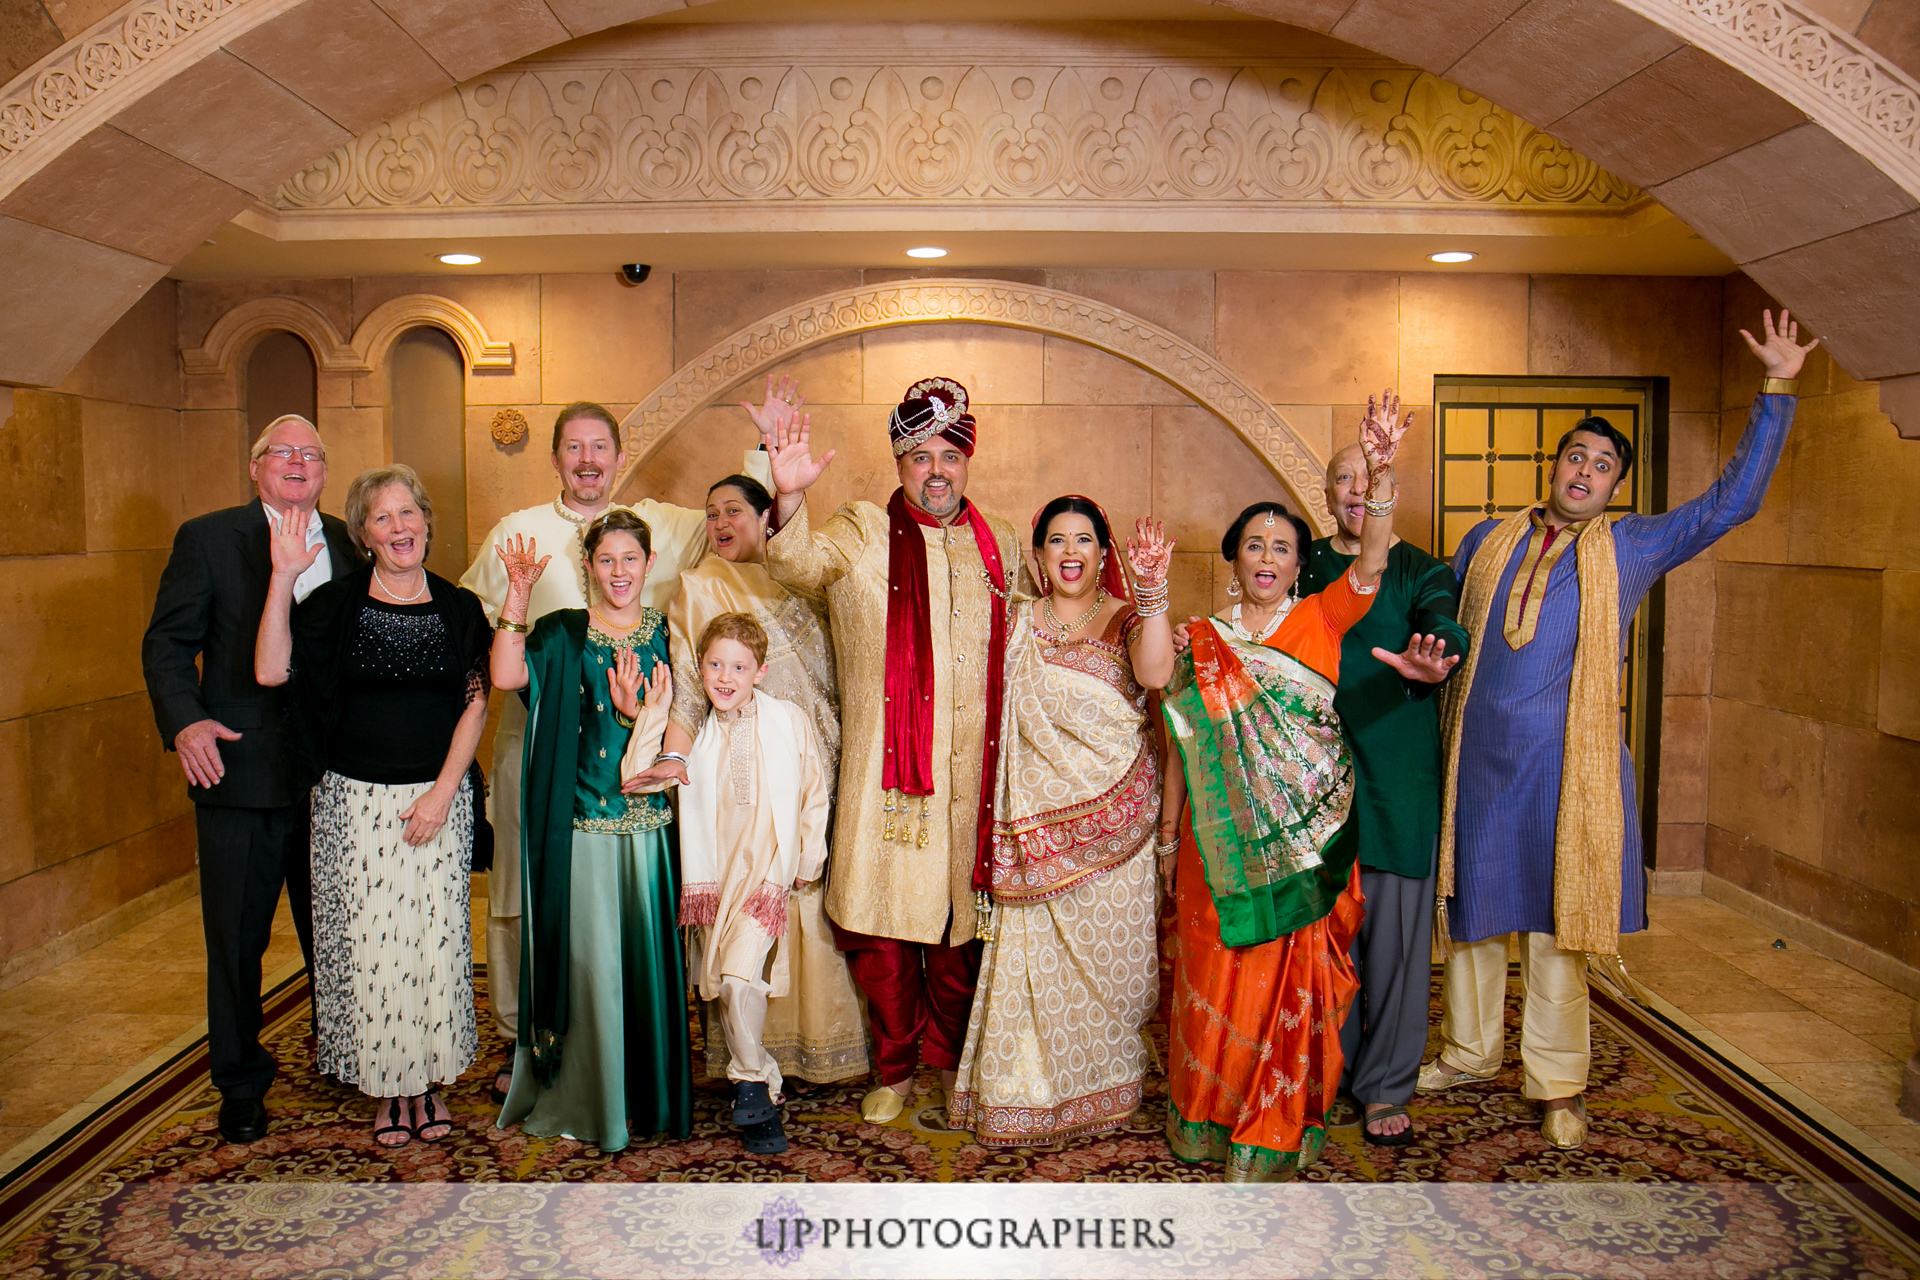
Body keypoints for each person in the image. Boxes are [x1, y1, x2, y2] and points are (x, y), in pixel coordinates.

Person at [1419, 311, 1818, 1149]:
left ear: (1614, 487)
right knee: (1475, 910)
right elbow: (1446, 631)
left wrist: (1777, 386)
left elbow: (1731, 503)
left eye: (1604, 465)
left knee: (1561, 928)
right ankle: (1468, 1049)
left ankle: (1557, 1082)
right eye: (1577, 456)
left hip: (1567, 772)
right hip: (1480, 764)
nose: (1586, 471)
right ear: (1555, 465)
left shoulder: (1630, 548)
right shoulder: (1487, 540)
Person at [459, 395, 775, 1098]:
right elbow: (483, 638)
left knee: (639, 916)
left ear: (620, 457)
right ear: (554, 458)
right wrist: (518, 598)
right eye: (573, 448)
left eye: (600, 447)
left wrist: (766, 449)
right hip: (538, 737)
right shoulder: (520, 531)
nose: (588, 460)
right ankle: (524, 1032)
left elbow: (745, 519)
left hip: (638, 757)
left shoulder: (663, 526)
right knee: (525, 887)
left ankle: (641, 1052)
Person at [762, 376, 1021, 1124]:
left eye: (948, 455)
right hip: (887, 782)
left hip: (975, 780)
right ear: (898, 463)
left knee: (958, 940)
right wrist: (786, 498)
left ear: (967, 460)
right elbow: (799, 563)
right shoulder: (862, 532)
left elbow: (1035, 635)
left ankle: (943, 1064)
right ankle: (897, 1068)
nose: (935, 471)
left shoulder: (998, 541)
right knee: (882, 939)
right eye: (918, 457)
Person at [1160, 396, 1405, 1182]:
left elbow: (1372, 558)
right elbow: (1181, 745)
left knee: (1283, 983)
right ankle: (1209, 1115)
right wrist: (1169, 838)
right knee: (1216, 975)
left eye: (1283, 547)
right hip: (1217, 849)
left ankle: (1274, 1120)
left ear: (1303, 564)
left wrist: (1384, 473)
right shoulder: (1204, 638)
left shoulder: (1323, 619)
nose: (1268, 557)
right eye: (1254, 545)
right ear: (1233, 558)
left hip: (1306, 851)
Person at [141, 414, 361, 1145]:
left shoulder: (352, 543)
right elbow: (167, 645)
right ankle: (240, 1082)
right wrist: (184, 722)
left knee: (333, 929)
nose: (299, 463)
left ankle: (345, 1056)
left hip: (333, 780)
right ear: (255, 466)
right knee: (237, 941)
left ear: (326, 471)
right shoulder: (207, 539)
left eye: (313, 454)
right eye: (284, 452)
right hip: (237, 772)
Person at [255, 464, 488, 1148]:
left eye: (408, 513)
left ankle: (427, 1079)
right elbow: (271, 669)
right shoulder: (332, 606)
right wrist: (280, 577)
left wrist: (445, 793)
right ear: (363, 535)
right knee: (369, 952)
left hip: (437, 800)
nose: (399, 528)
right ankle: (390, 1088)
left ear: (425, 521)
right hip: (352, 804)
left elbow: (475, 703)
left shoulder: (458, 607)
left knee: (432, 947)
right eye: (382, 518)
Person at [948, 499, 1176, 1146]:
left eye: (1084, 539)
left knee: (1116, 974)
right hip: (1033, 840)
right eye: (1056, 540)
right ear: (1039, 555)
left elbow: (1156, 673)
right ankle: (1024, 1095)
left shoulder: (1127, 619)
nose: (1070, 551)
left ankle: (1105, 1088)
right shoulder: (1017, 623)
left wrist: (1155, 595)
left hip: (1118, 835)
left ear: (1105, 551)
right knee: (1032, 967)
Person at [639, 472, 866, 1089]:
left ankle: (816, 1051)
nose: (719, 524)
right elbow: (688, 687)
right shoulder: (698, 587)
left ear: (769, 517)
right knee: (741, 920)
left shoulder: (805, 578)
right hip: (733, 786)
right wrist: (675, 757)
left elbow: (843, 666)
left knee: (806, 898)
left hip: (808, 764)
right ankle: (749, 1064)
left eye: (733, 511)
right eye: (710, 513)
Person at [488, 508, 690, 1151]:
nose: (619, 571)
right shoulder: (563, 635)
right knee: (594, 967)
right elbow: (506, 676)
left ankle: (646, 1096)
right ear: (587, 567)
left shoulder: (667, 633)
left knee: (645, 967)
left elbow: (691, 718)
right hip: (584, 827)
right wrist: (517, 596)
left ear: (649, 564)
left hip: (651, 830)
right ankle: (593, 1098)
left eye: (631, 558)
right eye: (606, 560)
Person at [1297, 437, 1469, 1146]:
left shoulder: (1421, 568)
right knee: (1318, 945)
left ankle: (1386, 1084)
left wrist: (1435, 659)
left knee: (1394, 946)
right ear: (1329, 493)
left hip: (1397, 785)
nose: (1357, 490)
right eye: (1344, 478)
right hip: (1313, 782)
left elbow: (1444, 624)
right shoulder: (1300, 560)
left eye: (1369, 479)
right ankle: (1322, 1073)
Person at [629, 612, 833, 1154]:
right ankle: (762, 1074)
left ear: (759, 672)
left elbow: (814, 792)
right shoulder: (689, 733)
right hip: (713, 882)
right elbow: (633, 777)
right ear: (700, 668)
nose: (726, 676)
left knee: (740, 982)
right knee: (725, 989)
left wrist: (806, 863)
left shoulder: (787, 720)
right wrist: (651, 714)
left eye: (738, 667)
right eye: (716, 664)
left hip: (764, 878)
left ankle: (751, 1091)